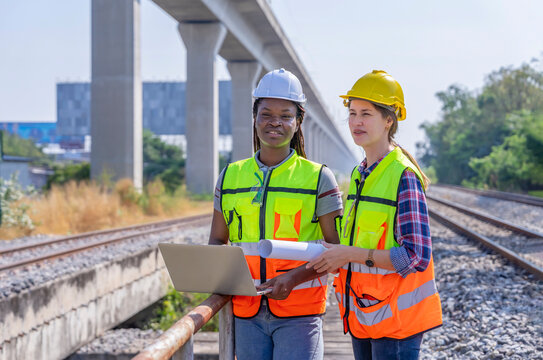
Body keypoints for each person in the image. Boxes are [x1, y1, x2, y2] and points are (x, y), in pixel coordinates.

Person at [307, 70, 443, 360]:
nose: (356, 121)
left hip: (396, 323)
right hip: (364, 314)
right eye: (352, 113)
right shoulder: (360, 173)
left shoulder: (403, 175)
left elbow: (415, 256)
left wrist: (349, 254)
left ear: (388, 120)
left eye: (366, 114)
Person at [208, 68, 343, 360]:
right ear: (254, 117)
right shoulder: (230, 177)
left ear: (298, 122)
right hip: (246, 312)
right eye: (266, 114)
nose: (275, 123)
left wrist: (293, 279)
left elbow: (336, 251)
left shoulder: (319, 178)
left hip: (301, 314)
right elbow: (217, 241)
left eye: (285, 115)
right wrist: (221, 278)